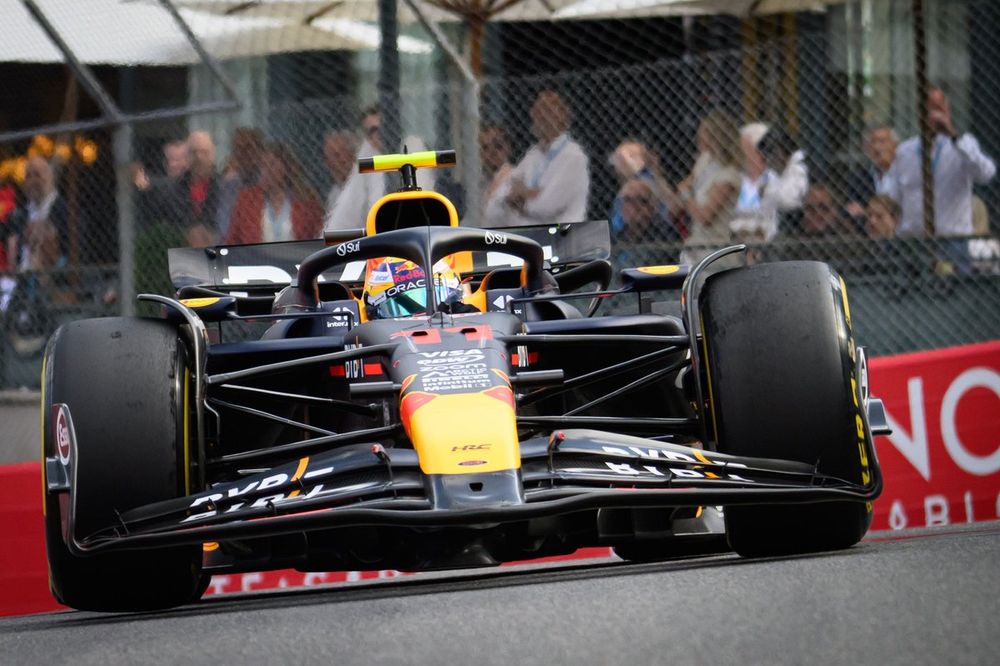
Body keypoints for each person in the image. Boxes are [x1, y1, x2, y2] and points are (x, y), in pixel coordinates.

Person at [882, 88, 996, 238]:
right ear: (919, 113)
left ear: (947, 111)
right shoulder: (905, 150)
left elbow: (986, 173)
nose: (934, 116)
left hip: (952, 239)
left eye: (938, 109)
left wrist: (953, 135)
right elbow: (892, 194)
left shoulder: (963, 145)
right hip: (914, 239)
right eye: (928, 110)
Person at [325, 105, 435, 231]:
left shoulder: (411, 146)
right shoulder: (370, 155)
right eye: (372, 131)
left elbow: (419, 199)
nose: (380, 134)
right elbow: (349, 208)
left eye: (383, 128)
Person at [494, 90, 590, 227]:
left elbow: (546, 205)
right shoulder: (533, 154)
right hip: (528, 236)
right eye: (537, 110)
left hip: (562, 239)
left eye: (547, 110)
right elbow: (500, 195)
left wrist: (521, 196)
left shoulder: (574, 157)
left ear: (563, 116)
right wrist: (528, 194)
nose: (539, 115)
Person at [676, 109, 743, 266]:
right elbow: (682, 189)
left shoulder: (729, 174)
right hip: (695, 246)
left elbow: (705, 216)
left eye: (704, 132)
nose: (699, 137)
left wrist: (686, 195)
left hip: (715, 251)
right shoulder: (704, 161)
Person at [225, 143, 323, 245]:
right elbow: (232, 239)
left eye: (272, 164)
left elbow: (320, 234)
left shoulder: (305, 200)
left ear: (286, 167)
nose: (266, 170)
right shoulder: (247, 199)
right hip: (257, 259)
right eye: (263, 165)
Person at [730, 123, 808, 243]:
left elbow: (789, 201)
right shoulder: (768, 176)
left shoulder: (799, 167)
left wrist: (765, 188)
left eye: (770, 153)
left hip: (793, 235)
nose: (767, 159)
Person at [606, 139, 677, 241]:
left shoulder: (647, 180)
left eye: (625, 158)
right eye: (618, 158)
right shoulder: (626, 184)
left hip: (652, 234)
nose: (618, 163)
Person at [216, 127, 264, 241]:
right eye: (238, 149)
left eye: (248, 148)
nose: (243, 154)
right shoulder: (229, 185)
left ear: (259, 151)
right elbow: (223, 225)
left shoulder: (268, 183)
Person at [845, 123, 898, 222]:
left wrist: (866, 212)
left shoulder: (903, 174)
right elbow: (853, 210)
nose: (877, 148)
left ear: (894, 145)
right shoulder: (858, 179)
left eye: (882, 142)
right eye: (872, 142)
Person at [479, 124, 515, 228]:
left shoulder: (514, 179)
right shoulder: (480, 183)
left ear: (509, 149)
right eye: (485, 147)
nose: (492, 152)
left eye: (498, 146)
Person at [322, 129, 359, 225]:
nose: (332, 163)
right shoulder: (334, 194)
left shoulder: (365, 185)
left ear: (352, 155)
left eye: (337, 155)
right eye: (328, 158)